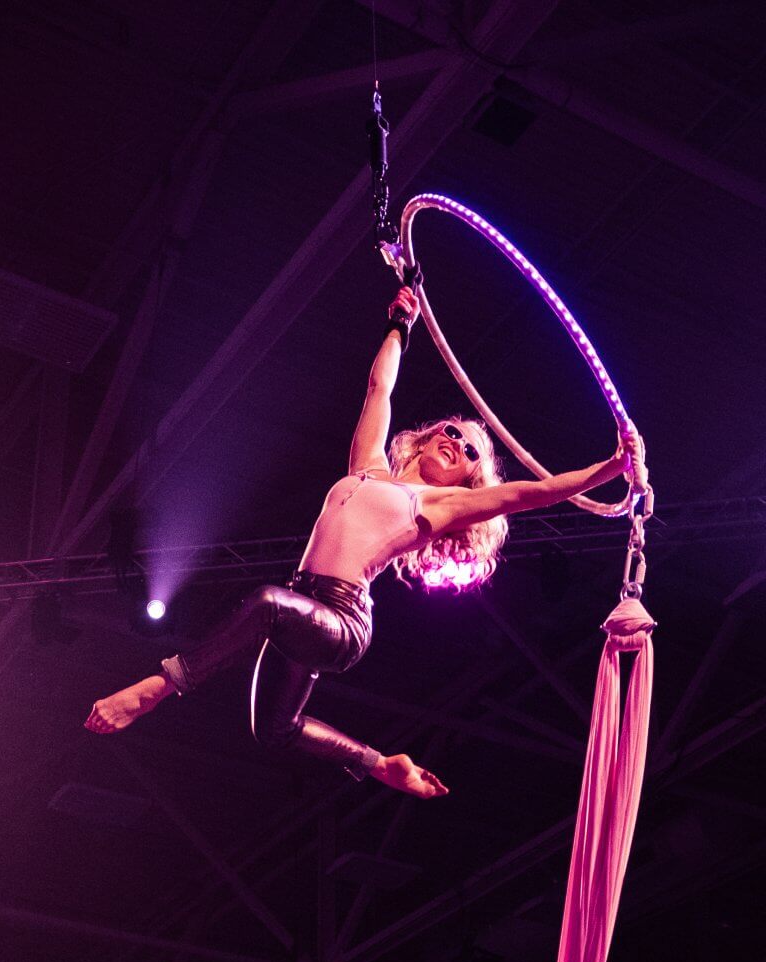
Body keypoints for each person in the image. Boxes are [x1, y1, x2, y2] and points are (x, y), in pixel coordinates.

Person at [84, 286, 637, 797]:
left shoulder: (442, 507)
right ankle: (381, 764)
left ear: (470, 479)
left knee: (267, 603)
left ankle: (154, 689)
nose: (457, 445)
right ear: (425, 437)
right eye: (451, 432)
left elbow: (534, 493)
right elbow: (381, 386)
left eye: (471, 453)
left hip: (341, 623)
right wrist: (401, 322)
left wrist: (613, 465)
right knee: (273, 729)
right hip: (305, 609)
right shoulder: (367, 465)